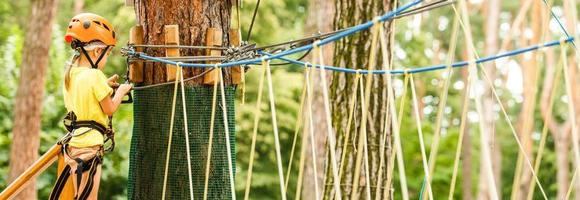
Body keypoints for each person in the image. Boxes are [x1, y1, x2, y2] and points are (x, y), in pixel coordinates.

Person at [49, 13, 131, 200]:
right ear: (96, 52)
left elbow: (85, 98)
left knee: (79, 195)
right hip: (90, 146)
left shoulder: (71, 75)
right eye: (107, 54)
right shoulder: (94, 76)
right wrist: (121, 91)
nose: (106, 59)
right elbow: (109, 108)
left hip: (74, 145)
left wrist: (105, 87)